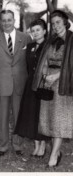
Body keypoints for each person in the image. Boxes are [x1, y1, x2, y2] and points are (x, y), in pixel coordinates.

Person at [0, 9, 32, 156]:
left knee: (19, 115)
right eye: (4, 20)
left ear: (14, 20)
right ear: (1, 22)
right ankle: (3, 145)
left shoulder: (25, 38)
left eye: (9, 19)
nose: (6, 23)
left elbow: (30, 61)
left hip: (21, 84)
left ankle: (18, 144)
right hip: (2, 84)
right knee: (2, 116)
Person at [32, 10, 73, 167]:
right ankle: (56, 151)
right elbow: (44, 61)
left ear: (65, 22)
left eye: (58, 22)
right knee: (49, 120)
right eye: (53, 23)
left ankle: (54, 155)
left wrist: (56, 76)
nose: (55, 26)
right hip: (48, 85)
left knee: (60, 121)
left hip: (64, 85)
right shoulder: (51, 41)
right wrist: (44, 76)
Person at [14, 19, 49, 158]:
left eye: (38, 30)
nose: (35, 33)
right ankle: (36, 145)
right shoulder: (30, 46)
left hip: (43, 84)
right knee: (32, 114)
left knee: (42, 114)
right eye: (33, 31)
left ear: (44, 31)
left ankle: (43, 145)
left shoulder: (49, 46)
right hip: (31, 84)